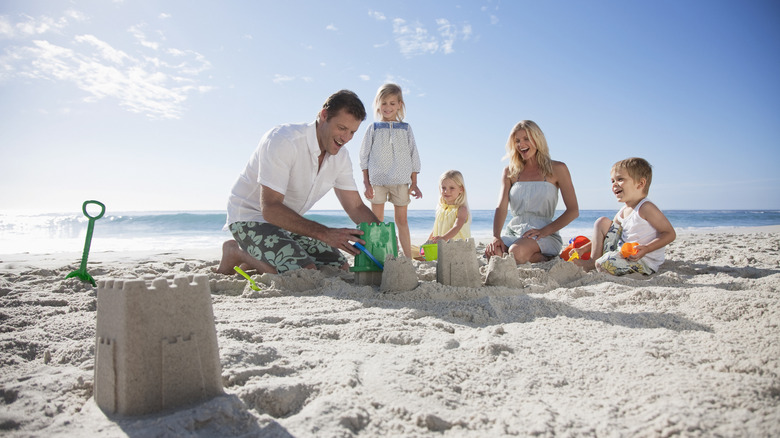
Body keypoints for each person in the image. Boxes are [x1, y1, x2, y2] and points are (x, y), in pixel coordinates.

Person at [217, 90, 380, 275]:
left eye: (352, 132)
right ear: (324, 116)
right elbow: (270, 208)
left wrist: (384, 237)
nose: (346, 138)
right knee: (304, 272)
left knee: (338, 267)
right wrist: (325, 233)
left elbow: (356, 207)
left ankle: (258, 258)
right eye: (342, 128)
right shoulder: (283, 140)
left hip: (285, 224)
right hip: (249, 217)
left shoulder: (341, 157)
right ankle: (236, 252)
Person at [484, 120, 579, 264]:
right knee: (493, 253)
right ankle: (530, 259)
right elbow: (501, 207)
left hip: (543, 234)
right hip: (514, 232)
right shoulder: (510, 171)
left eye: (526, 139)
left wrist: (544, 231)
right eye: (517, 141)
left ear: (537, 139)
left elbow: (573, 211)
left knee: (516, 252)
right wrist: (496, 236)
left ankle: (545, 257)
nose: (521, 145)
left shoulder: (558, 168)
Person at [573, 157, 676, 275]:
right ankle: (592, 261)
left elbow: (669, 234)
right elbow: (606, 236)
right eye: (612, 181)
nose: (614, 184)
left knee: (605, 263)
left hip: (642, 261)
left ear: (640, 184)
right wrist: (583, 249)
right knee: (602, 222)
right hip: (621, 254)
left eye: (620, 179)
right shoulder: (623, 211)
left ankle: (597, 263)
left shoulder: (646, 208)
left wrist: (646, 248)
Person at [359, 83, 422, 258]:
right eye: (384, 103)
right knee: (376, 223)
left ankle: (408, 259)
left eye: (392, 103)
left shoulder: (406, 129)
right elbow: (363, 157)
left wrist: (414, 183)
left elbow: (413, 155)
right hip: (377, 182)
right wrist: (366, 183)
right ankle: (377, 257)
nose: (388, 107)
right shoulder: (373, 128)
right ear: (378, 104)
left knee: (402, 221)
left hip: (401, 182)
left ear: (399, 105)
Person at [426, 170, 471, 243]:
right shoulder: (441, 209)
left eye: (452, 188)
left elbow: (457, 226)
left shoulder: (461, 209)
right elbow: (435, 229)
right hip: (442, 246)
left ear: (461, 189)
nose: (446, 191)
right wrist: (428, 241)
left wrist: (444, 238)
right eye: (443, 188)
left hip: (457, 247)